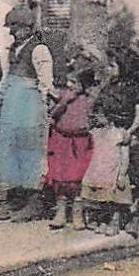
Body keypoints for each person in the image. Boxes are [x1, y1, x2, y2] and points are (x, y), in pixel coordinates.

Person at [0, 7, 55, 222]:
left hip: (29, 104)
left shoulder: (39, 50)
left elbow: (46, 81)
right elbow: (7, 76)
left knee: (29, 149)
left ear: (27, 28)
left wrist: (45, 106)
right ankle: (14, 197)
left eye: (15, 28)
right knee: (10, 148)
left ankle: (34, 201)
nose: (12, 32)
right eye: (10, 28)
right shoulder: (12, 49)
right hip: (11, 103)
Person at [46, 67, 98, 230]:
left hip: (80, 142)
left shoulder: (89, 100)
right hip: (61, 140)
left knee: (77, 178)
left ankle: (77, 214)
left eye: (74, 82)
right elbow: (52, 114)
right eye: (69, 81)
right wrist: (63, 102)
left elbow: (92, 119)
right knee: (60, 177)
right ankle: (60, 213)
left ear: (84, 84)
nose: (69, 84)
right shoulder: (63, 97)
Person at [80, 105, 139, 236]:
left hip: (114, 171)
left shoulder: (119, 134)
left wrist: (122, 174)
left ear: (110, 117)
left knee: (115, 199)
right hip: (99, 171)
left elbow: (125, 156)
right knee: (100, 199)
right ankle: (101, 220)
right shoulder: (95, 132)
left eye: (100, 115)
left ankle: (114, 221)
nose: (97, 117)